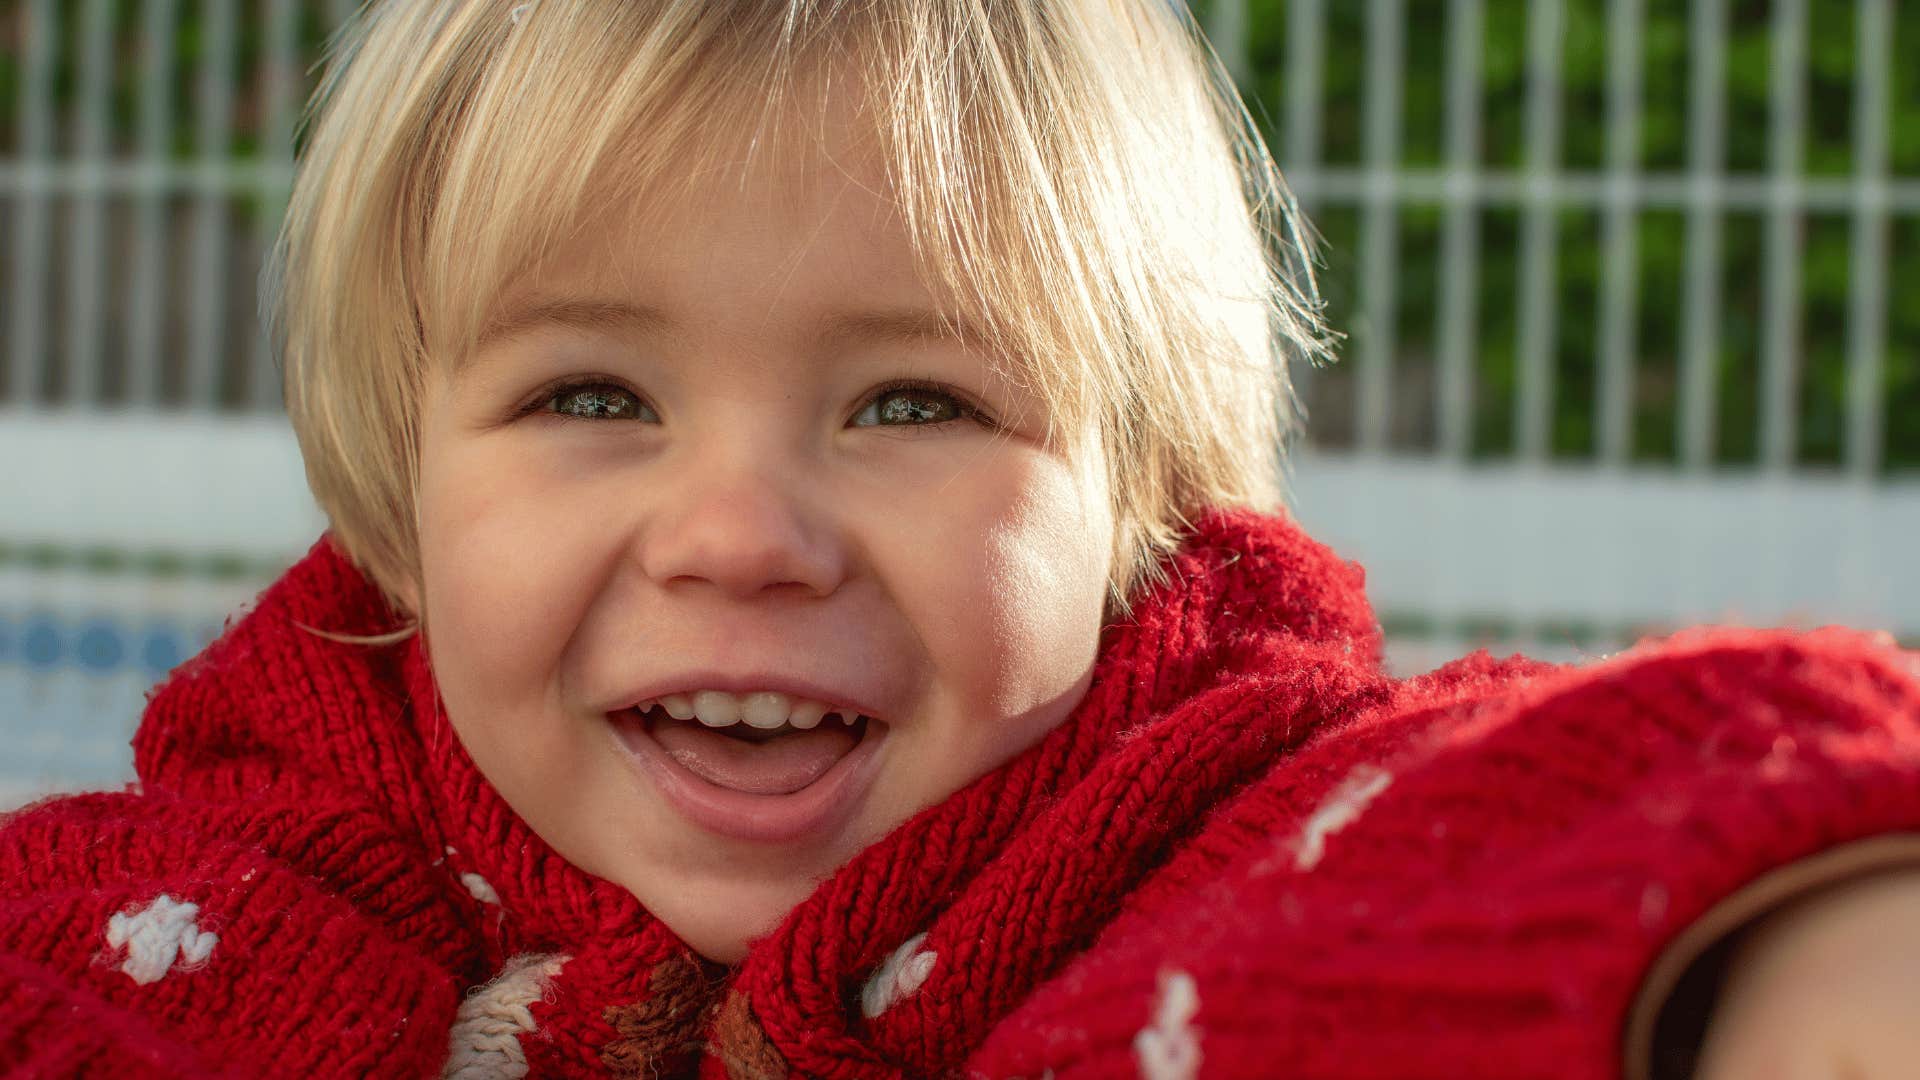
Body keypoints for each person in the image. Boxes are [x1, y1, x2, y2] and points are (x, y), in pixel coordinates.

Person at [3, 2, 1917, 1077]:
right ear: (398, 485)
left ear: (1137, 502)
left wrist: (1793, 946)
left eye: (914, 404)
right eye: (595, 398)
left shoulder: (1206, 819)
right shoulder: (258, 858)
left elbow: (1497, 825)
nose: (742, 535)